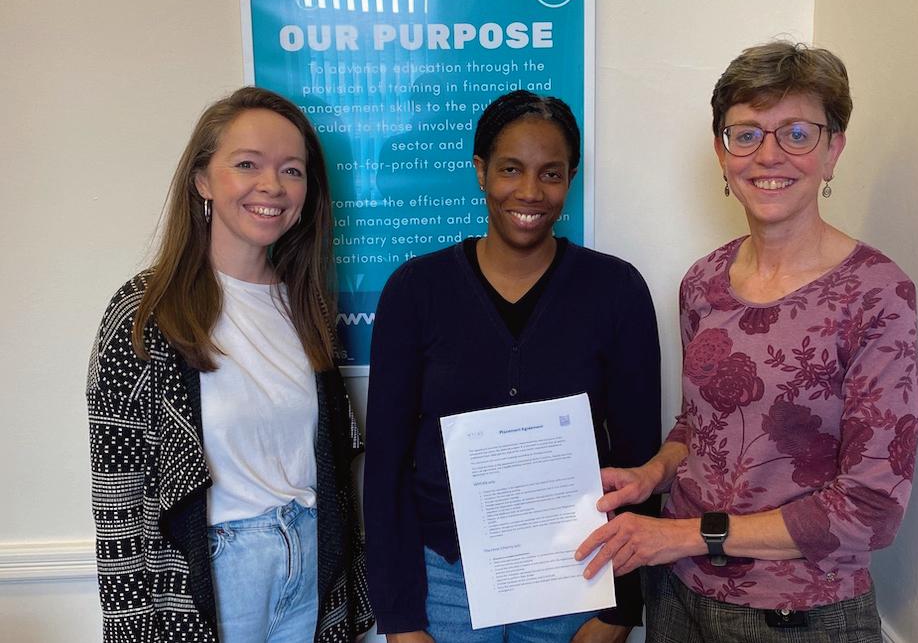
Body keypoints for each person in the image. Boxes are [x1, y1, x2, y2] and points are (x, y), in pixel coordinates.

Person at [576, 41, 918, 642]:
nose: (768, 155)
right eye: (746, 134)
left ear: (834, 151)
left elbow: (871, 509)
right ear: (721, 151)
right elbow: (699, 429)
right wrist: (651, 475)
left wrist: (683, 535)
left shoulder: (876, 293)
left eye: (797, 133)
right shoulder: (703, 282)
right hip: (678, 594)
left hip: (799, 616)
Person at [363, 90, 662, 643]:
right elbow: (385, 465)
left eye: (551, 173)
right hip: (444, 575)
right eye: (510, 169)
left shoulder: (616, 290)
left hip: (576, 572)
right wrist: (399, 617)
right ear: (480, 172)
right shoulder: (416, 290)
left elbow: (639, 459)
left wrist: (621, 610)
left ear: (571, 178)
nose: (529, 191)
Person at [87, 86, 374, 642]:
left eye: (292, 170)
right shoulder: (145, 312)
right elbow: (115, 491)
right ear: (202, 180)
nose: (272, 185)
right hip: (217, 572)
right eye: (247, 164)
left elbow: (334, 470)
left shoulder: (307, 306)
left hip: (309, 563)